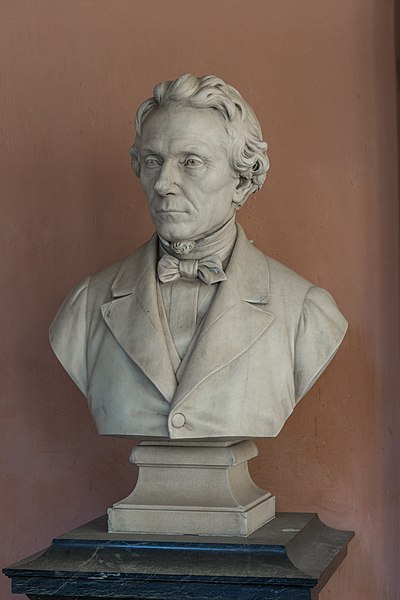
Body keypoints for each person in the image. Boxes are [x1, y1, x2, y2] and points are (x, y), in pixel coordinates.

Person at [50, 74, 347, 440]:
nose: (163, 184)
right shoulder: (85, 307)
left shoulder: (304, 312)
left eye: (190, 162)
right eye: (153, 161)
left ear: (241, 181)